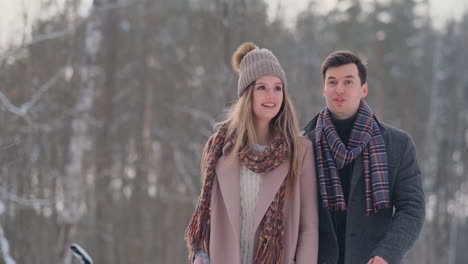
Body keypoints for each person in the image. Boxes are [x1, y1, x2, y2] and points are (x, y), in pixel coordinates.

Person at [185, 42, 319, 264]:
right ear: (247, 94)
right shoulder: (219, 147)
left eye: (278, 88)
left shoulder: (300, 150)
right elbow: (206, 215)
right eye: (262, 88)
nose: (271, 96)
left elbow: (309, 227)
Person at [303, 51, 425, 264]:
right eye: (332, 82)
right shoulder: (303, 145)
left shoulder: (397, 144)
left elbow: (412, 207)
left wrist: (387, 253)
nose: (339, 89)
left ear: (364, 89)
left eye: (348, 82)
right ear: (324, 89)